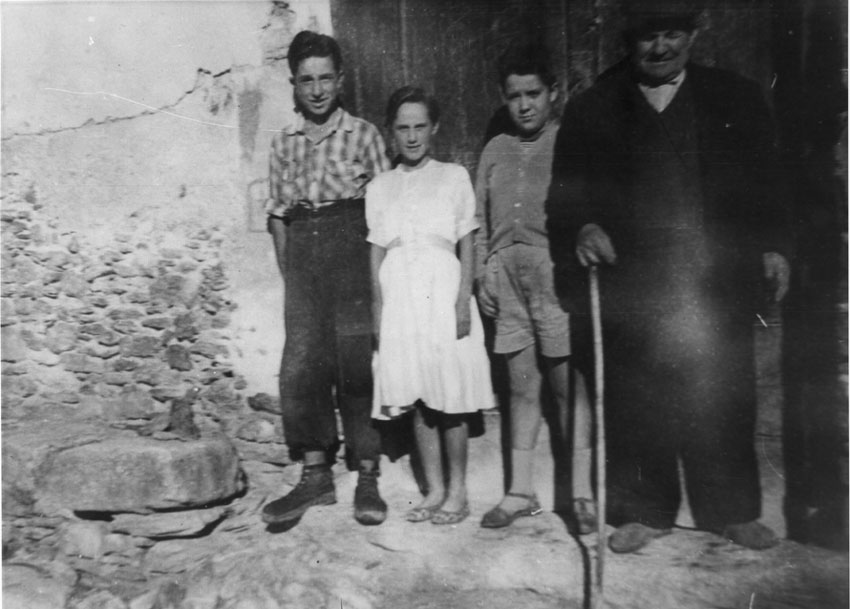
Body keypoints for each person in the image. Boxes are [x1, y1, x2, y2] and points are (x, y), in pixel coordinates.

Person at [546, 2, 791, 553]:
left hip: (713, 278)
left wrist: (775, 246)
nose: (660, 49)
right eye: (648, 38)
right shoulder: (595, 107)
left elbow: (769, 183)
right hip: (634, 281)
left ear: (693, 33)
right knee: (637, 399)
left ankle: (731, 511)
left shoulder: (737, 98)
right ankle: (645, 511)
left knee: (723, 394)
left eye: (672, 35)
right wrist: (583, 226)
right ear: (628, 42)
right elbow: (565, 194)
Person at [262, 30, 391, 527]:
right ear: (294, 85)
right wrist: (289, 269)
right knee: (301, 364)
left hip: (352, 249)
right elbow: (277, 215)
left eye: (325, 79)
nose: (316, 90)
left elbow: (386, 207)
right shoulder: (284, 142)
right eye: (306, 81)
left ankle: (366, 474)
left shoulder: (363, 135)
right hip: (304, 254)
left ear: (341, 80)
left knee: (355, 361)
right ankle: (315, 475)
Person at [474, 41, 595, 532]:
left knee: (569, 388)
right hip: (507, 282)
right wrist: (483, 268)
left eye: (533, 93)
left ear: (553, 93)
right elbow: (479, 221)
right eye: (514, 95)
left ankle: (582, 495)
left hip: (555, 279)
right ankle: (520, 490)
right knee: (521, 390)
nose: (524, 105)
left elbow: (588, 211)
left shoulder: (568, 144)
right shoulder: (494, 151)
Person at [367, 86, 494, 525]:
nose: (413, 136)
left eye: (420, 126)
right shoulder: (380, 186)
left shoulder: (454, 176)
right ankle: (433, 488)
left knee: (451, 393)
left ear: (434, 128)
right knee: (420, 397)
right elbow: (376, 252)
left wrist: (464, 299)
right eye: (403, 128)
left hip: (442, 290)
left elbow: (467, 240)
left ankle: (458, 491)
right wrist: (378, 309)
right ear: (391, 133)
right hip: (401, 294)